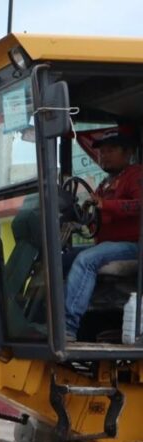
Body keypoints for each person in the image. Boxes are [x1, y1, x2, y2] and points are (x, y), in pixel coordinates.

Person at [64, 127, 142, 340]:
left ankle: (67, 328)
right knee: (60, 259)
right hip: (107, 245)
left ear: (128, 152)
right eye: (101, 151)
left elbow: (139, 205)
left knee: (87, 259)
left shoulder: (136, 174)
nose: (103, 155)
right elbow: (99, 218)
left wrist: (105, 205)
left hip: (133, 244)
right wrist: (81, 216)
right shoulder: (105, 184)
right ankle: (45, 319)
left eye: (110, 150)